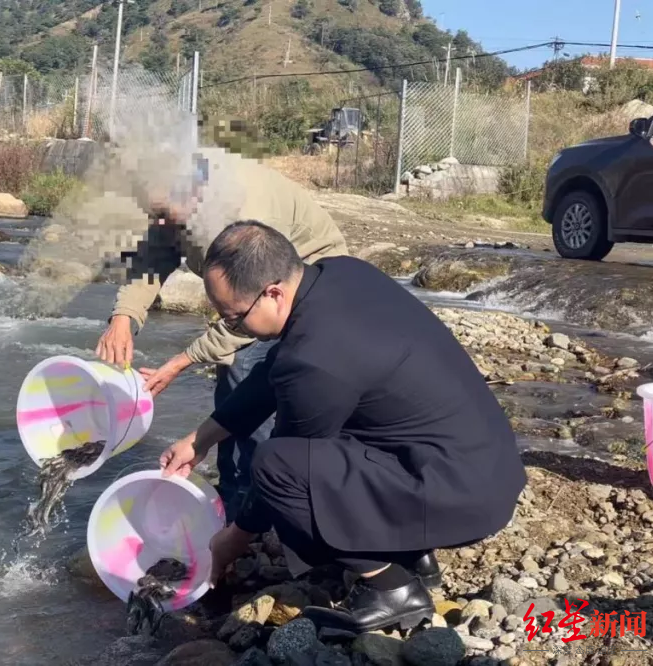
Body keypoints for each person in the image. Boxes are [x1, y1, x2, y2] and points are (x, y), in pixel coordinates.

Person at [158, 220, 527, 634]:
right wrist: (201, 438)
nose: (233, 329)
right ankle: (413, 555)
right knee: (342, 433)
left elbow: (285, 469)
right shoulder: (342, 273)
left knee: (276, 464)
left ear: (273, 293)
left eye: (234, 319)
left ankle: (393, 589)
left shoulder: (315, 359)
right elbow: (273, 372)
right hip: (482, 465)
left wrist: (234, 538)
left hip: (463, 497)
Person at [94, 146, 349, 516]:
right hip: (253, 291)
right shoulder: (175, 200)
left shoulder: (245, 214)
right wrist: (124, 317)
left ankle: (260, 500)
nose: (160, 225)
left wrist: (182, 360)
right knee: (231, 375)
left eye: (164, 216)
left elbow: (250, 308)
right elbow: (156, 255)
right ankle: (231, 487)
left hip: (306, 282)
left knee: (250, 377)